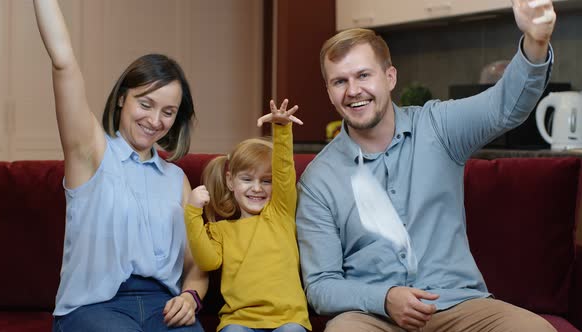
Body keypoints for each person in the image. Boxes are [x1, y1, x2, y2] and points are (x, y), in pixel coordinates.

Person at [296, 0, 558, 331]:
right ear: (329, 92)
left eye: (363, 75)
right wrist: (385, 297)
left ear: (389, 77)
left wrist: (535, 41)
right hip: (373, 317)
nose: (353, 91)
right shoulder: (318, 180)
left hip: (457, 304)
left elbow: (504, 106)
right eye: (339, 81)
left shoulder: (438, 126)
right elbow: (321, 286)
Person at [33, 1, 207, 331]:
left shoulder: (176, 179)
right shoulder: (91, 153)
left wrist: (190, 298)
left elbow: (196, 265)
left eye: (168, 112)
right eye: (146, 104)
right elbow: (63, 62)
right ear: (122, 98)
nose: (155, 120)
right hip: (93, 308)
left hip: (163, 307)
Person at [185, 99, 312, 332]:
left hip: (289, 319)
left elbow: (284, 170)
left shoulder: (281, 215)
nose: (257, 188)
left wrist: (282, 129)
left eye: (266, 181)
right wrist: (193, 213)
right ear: (230, 181)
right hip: (239, 320)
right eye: (247, 179)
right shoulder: (221, 230)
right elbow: (206, 261)